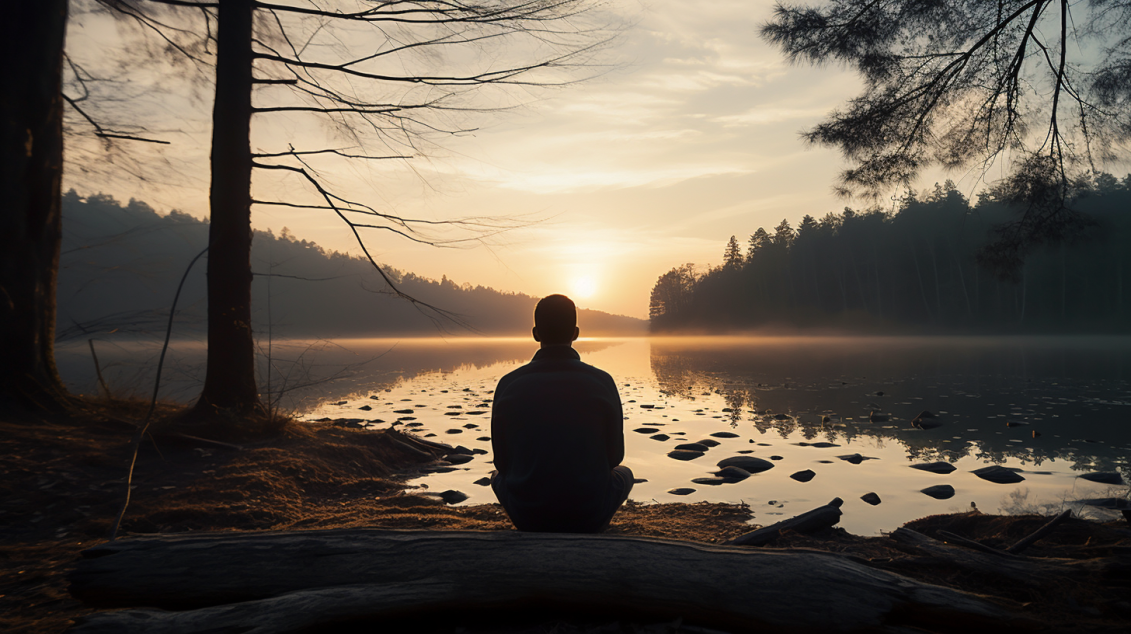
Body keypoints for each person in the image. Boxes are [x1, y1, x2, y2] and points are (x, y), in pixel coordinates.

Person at [490, 294, 633, 532]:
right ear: (575, 333)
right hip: (588, 513)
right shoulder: (602, 381)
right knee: (624, 473)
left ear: (535, 334)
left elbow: (502, 463)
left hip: (528, 516)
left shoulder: (508, 384)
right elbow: (615, 457)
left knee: (495, 477)